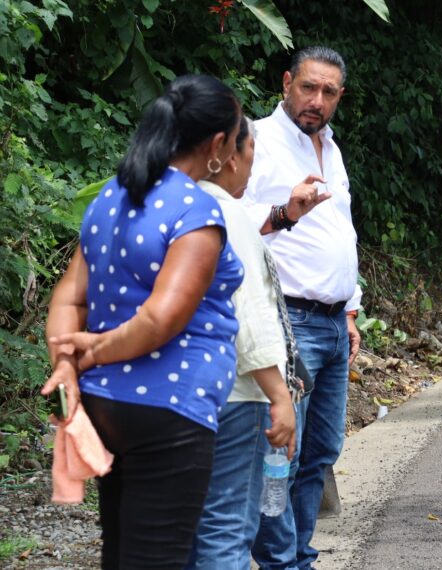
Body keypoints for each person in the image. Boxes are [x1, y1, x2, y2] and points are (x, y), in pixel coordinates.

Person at [42, 74, 245, 568]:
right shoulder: (195, 210)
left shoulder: (110, 198)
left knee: (125, 555)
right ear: (216, 144)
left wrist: (67, 362)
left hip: (107, 404)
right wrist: (91, 351)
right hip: (169, 408)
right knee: (159, 558)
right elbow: (161, 318)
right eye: (237, 138)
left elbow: (69, 298)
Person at [187, 117, 329, 568]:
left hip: (169, 394)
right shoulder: (225, 215)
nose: (252, 168)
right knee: (226, 529)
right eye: (252, 154)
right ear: (228, 155)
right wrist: (279, 396)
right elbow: (247, 316)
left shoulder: (153, 205)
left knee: (185, 529)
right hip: (232, 393)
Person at [244, 46, 362, 570]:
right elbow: (223, 217)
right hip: (288, 322)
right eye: (307, 87)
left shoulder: (331, 149)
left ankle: (300, 556)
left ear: (340, 97)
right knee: (280, 458)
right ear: (287, 82)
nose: (316, 101)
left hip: (334, 324)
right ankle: (282, 564)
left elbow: (342, 231)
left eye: (328, 92)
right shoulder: (256, 140)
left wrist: (352, 309)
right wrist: (282, 212)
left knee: (318, 456)